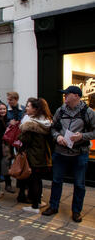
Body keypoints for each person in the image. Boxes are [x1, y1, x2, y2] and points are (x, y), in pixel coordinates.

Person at [42, 86, 95, 223]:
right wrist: (57, 137)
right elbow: (53, 128)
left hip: (80, 154)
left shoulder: (88, 112)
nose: (64, 96)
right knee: (56, 181)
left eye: (67, 94)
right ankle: (53, 206)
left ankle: (76, 211)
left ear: (76, 96)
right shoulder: (60, 110)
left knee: (79, 184)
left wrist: (82, 136)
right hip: (60, 153)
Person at [17, 98, 53, 213]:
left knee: (33, 180)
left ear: (35, 109)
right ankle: (38, 202)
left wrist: (20, 133)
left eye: (28, 106)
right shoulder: (46, 122)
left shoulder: (31, 125)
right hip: (43, 155)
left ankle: (35, 206)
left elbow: (24, 139)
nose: (26, 108)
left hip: (33, 155)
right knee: (38, 180)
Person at [0, 103, 16, 193]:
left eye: (4, 109)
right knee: (0, 165)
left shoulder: (8, 120)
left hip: (7, 147)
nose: (2, 111)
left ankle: (8, 184)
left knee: (6, 165)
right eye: (0, 109)